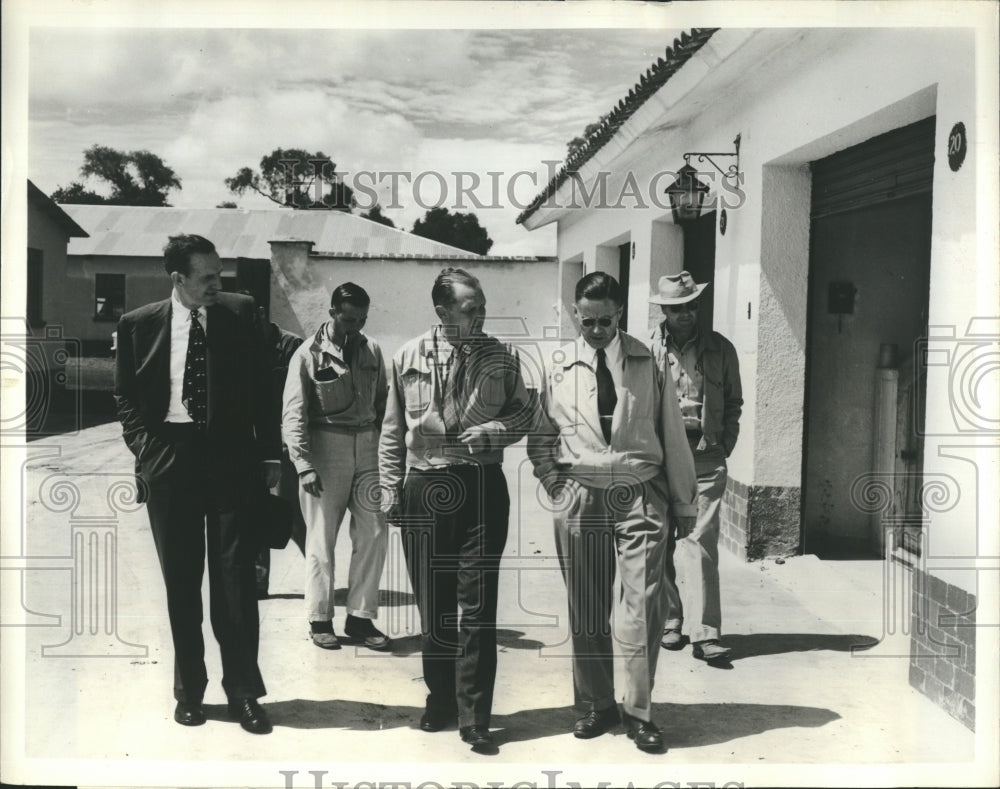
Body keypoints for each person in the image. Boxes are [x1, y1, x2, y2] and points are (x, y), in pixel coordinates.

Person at [114, 234, 279, 734]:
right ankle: (190, 693)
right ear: (177, 279)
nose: (217, 283)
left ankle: (244, 693)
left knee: (235, 584)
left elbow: (264, 386)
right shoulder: (138, 325)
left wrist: (270, 452)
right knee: (181, 584)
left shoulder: (241, 312)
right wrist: (145, 450)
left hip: (231, 462)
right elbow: (124, 396)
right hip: (170, 459)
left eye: (219, 273)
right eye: (206, 276)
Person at [527, 272, 697, 753]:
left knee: (643, 605)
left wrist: (683, 502)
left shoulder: (650, 359)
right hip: (579, 493)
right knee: (586, 605)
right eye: (587, 320)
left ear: (619, 313)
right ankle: (598, 704)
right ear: (574, 314)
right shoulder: (556, 363)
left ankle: (639, 711)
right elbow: (540, 432)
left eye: (605, 320)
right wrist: (553, 481)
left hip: (639, 490)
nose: (596, 329)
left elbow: (673, 434)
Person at [378, 267, 533, 754]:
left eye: (483, 305)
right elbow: (390, 429)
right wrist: (389, 487)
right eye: (472, 309)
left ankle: (475, 716)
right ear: (443, 313)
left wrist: (494, 433)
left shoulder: (501, 356)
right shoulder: (407, 355)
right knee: (434, 603)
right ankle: (440, 698)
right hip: (425, 485)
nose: (482, 314)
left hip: (481, 486)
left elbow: (525, 412)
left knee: (478, 606)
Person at [282, 283, 391, 651]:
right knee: (321, 537)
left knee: (374, 532)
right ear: (331, 312)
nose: (354, 326)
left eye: (361, 319)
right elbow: (293, 414)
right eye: (347, 319)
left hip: (367, 445)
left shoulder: (373, 349)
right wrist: (303, 465)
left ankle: (360, 619)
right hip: (326, 447)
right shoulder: (307, 355)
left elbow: (382, 403)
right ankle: (320, 618)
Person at [649, 271, 743, 663]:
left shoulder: (721, 349)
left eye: (689, 306)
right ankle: (673, 619)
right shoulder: (646, 349)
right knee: (665, 539)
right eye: (675, 308)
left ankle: (705, 633)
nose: (684, 313)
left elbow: (735, 403)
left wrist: (723, 445)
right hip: (660, 456)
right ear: (664, 311)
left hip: (704, 455)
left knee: (700, 542)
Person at [253, 308, 306, 598]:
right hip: (254, 440)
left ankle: (318, 572)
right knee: (255, 511)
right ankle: (259, 581)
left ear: (261, 313)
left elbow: (300, 396)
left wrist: (290, 437)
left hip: (284, 439)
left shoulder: (291, 345)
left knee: (290, 512)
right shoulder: (242, 343)